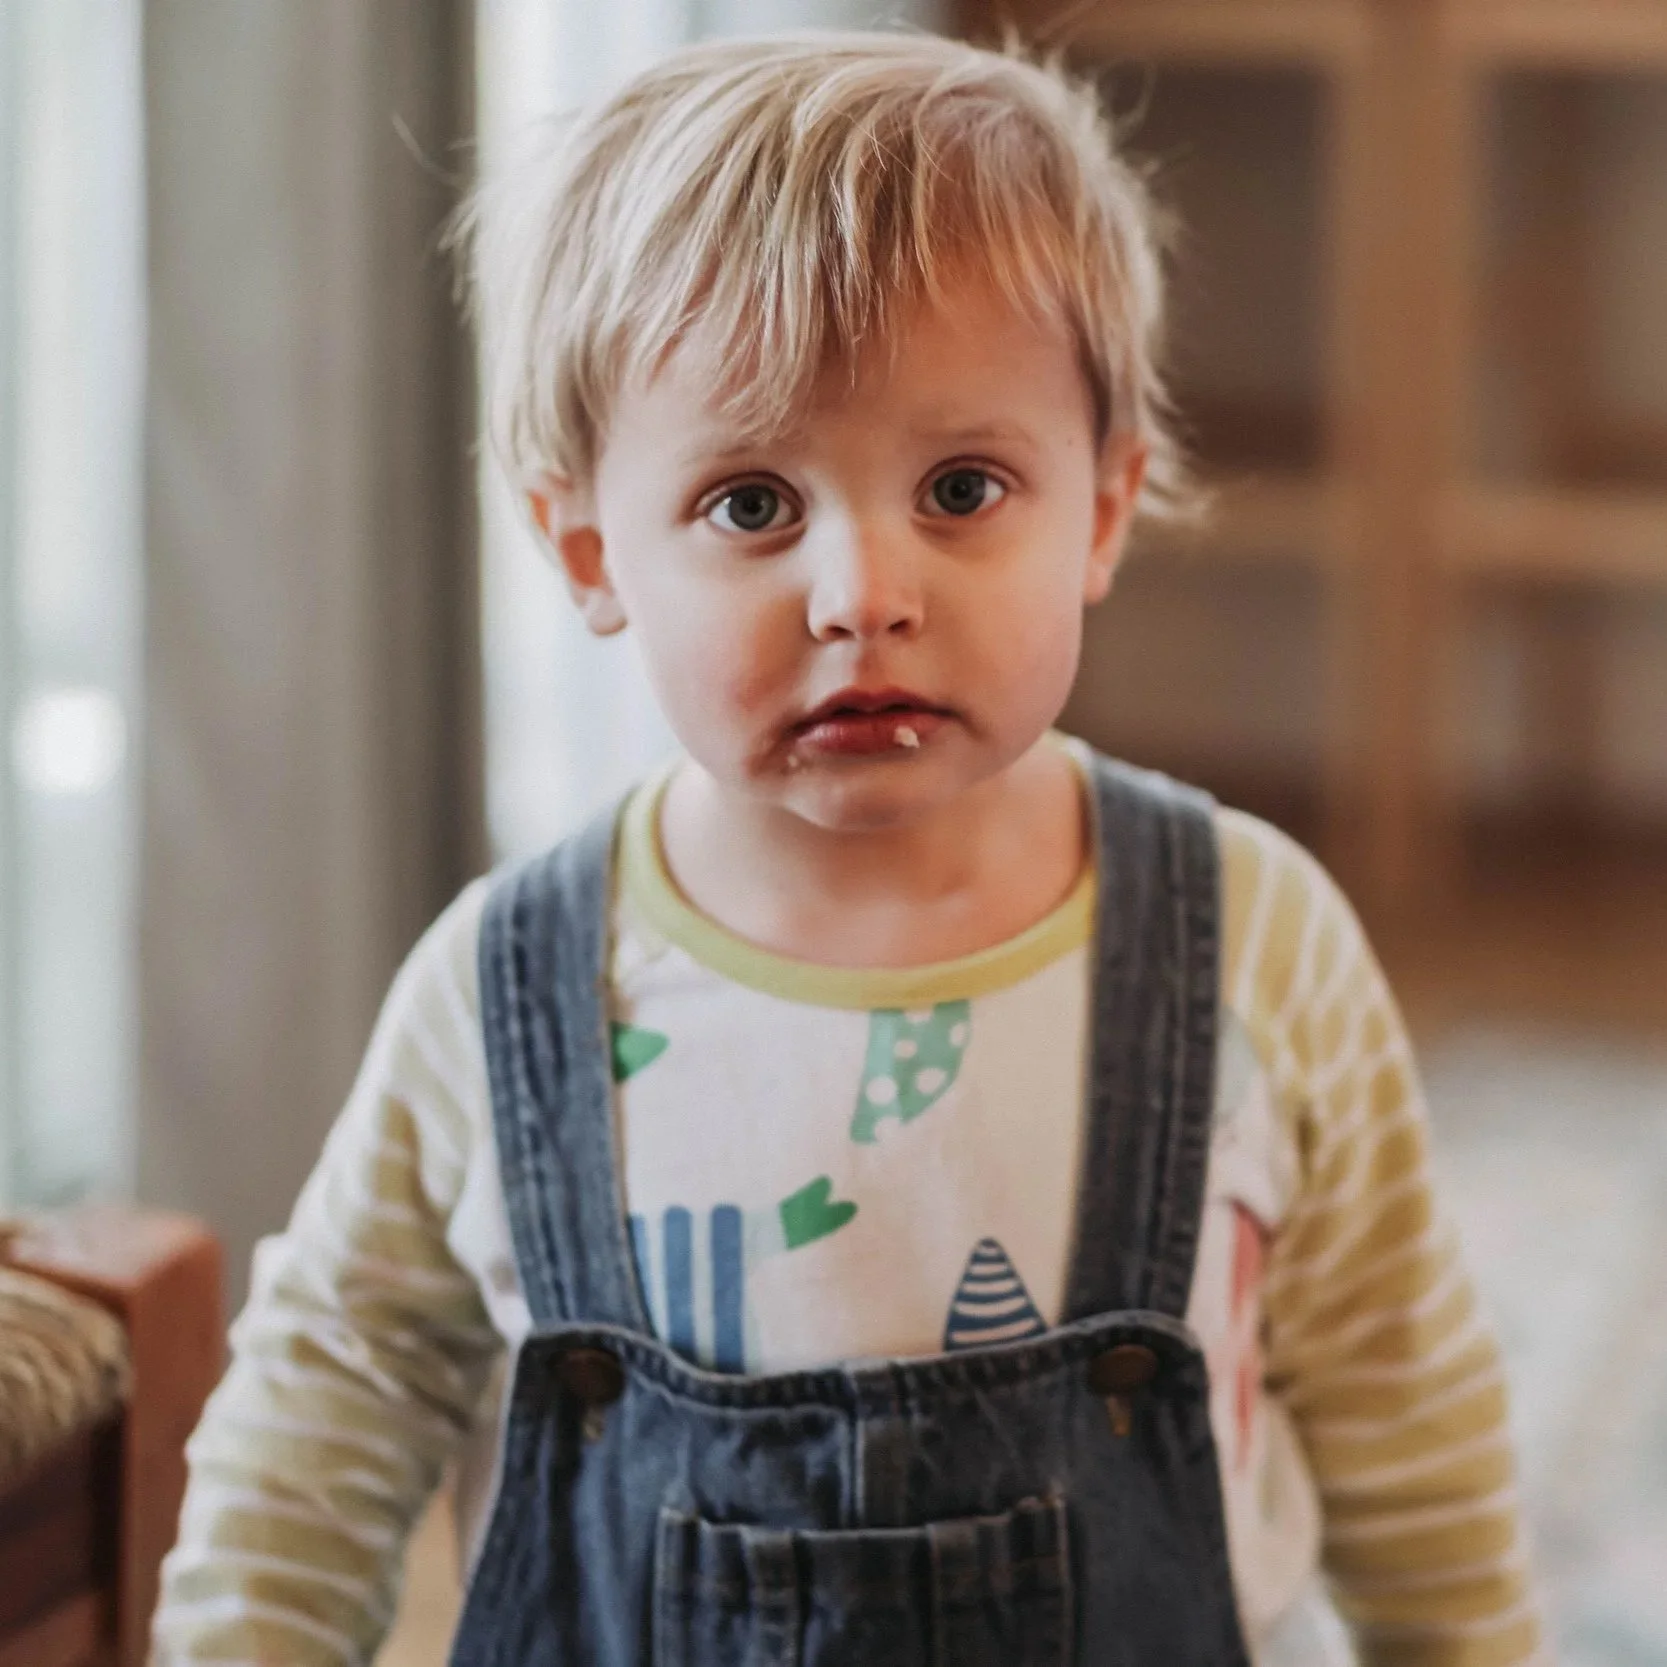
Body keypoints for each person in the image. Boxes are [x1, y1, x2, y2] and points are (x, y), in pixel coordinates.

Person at [152, 31, 1542, 1666]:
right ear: (589, 550)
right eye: (751, 504)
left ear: (1100, 509)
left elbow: (1393, 1387)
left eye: (961, 487)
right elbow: (333, 1388)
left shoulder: (1251, 939)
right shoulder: (512, 984)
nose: (860, 591)